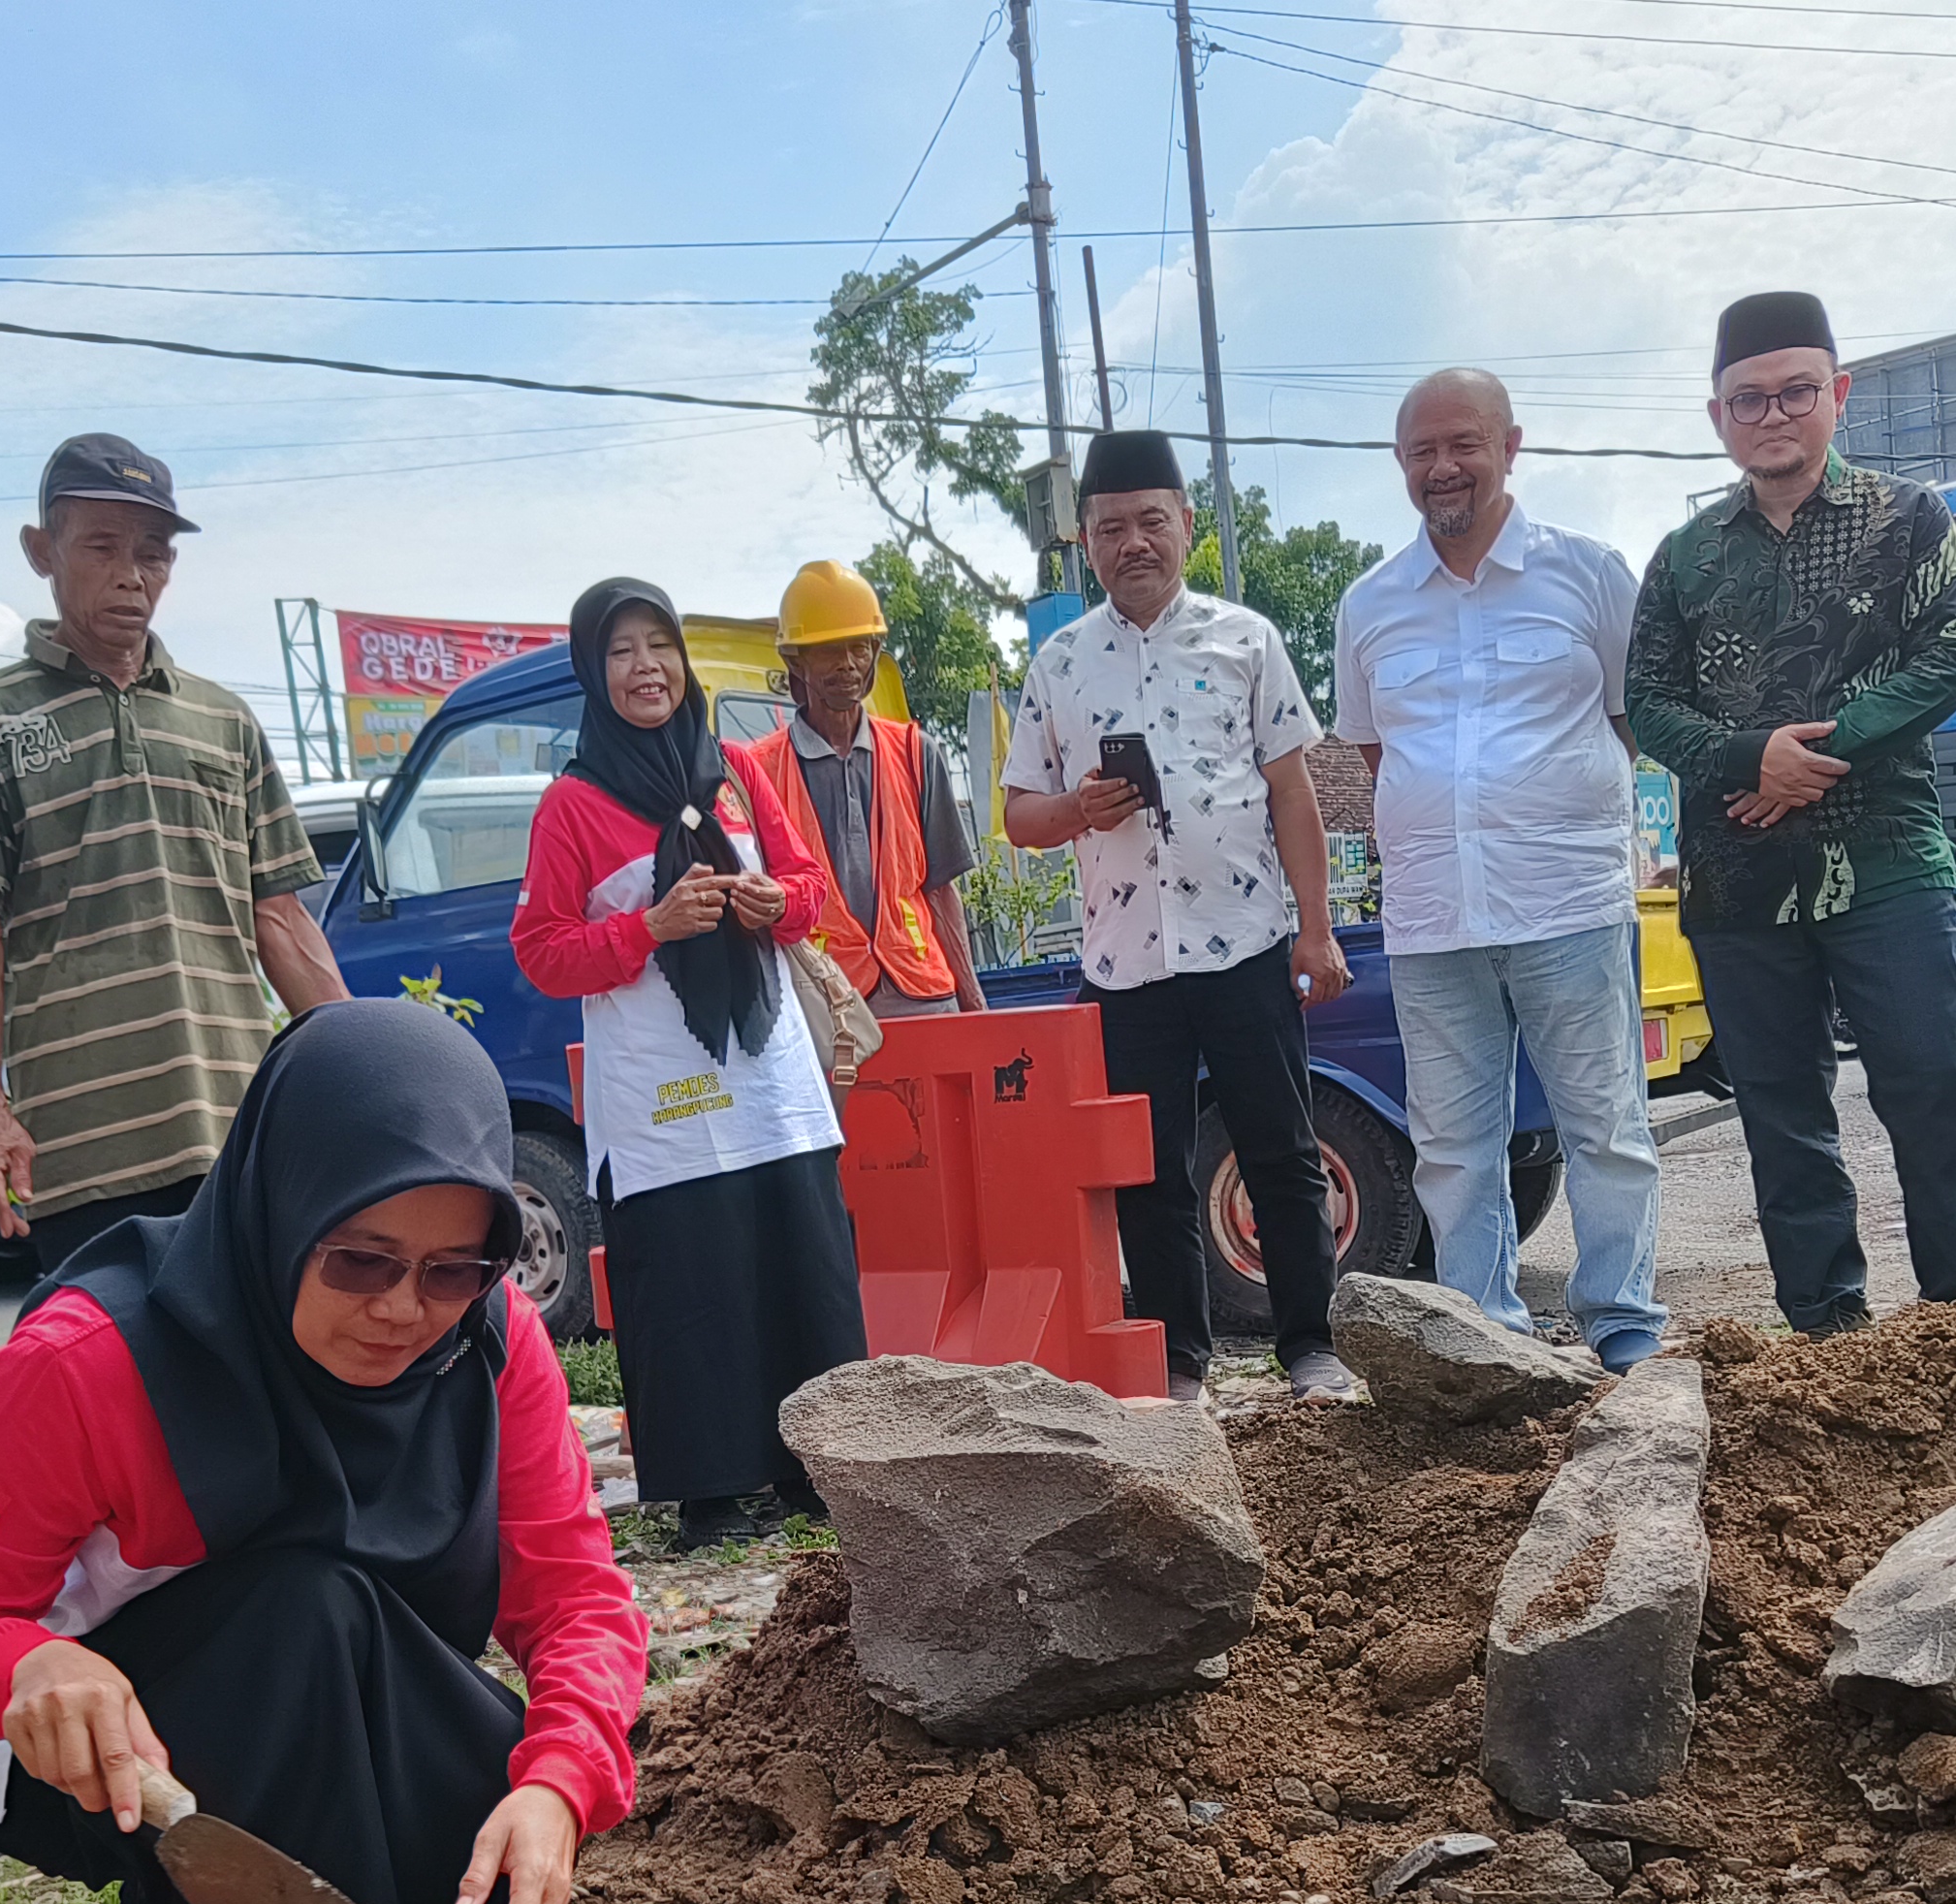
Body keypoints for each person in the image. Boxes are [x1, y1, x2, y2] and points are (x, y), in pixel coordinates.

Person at [0, 1000, 649, 1904]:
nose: (403, 1310)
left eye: (453, 1270)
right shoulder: (89, 1367)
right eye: (360, 1261)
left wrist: (558, 1782)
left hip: (317, 1670)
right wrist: (28, 1667)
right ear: (281, 1211)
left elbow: (580, 1598)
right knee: (304, 1605)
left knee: (482, 1754)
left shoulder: (487, 1345)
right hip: (63, 1738)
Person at [1627, 294, 1956, 1338]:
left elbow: (1948, 658)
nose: (1773, 413)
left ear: (1837, 395)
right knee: (1783, 1120)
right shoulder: (1684, 556)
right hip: (1740, 879)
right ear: (1718, 417)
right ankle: (1825, 1335)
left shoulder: (1909, 517)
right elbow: (1649, 702)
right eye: (1748, 399)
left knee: (1933, 1083)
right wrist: (1748, 758)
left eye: (1797, 390)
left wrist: (1813, 758)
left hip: (1885, 861)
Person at [0, 434, 350, 1275]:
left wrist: (361, 1071)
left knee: (248, 1384)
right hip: (81, 1150)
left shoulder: (223, 720)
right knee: (110, 1389)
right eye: (102, 547)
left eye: (153, 554)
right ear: (41, 551)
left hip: (240, 1133)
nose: (133, 575)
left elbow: (279, 916)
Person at [1000, 428, 1361, 1403]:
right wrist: (1076, 809)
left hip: (1244, 943)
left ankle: (1309, 1349)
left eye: (1151, 522)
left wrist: (1317, 930)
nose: (1133, 544)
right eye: (1111, 528)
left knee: (1280, 1152)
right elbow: (1017, 815)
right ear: (1086, 540)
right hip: (1124, 964)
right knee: (1145, 1172)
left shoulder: (1248, 641)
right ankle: (1178, 1365)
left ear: (1187, 526)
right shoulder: (1060, 665)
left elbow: (1293, 793)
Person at [512, 580, 871, 1549]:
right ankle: (709, 1488)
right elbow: (540, 949)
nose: (645, 669)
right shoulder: (571, 807)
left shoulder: (733, 777)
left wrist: (770, 902)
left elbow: (808, 890)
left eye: (658, 646)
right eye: (621, 651)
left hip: (768, 1082)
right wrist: (647, 927)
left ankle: (822, 1466)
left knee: (802, 1259)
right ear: (594, 671)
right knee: (690, 1278)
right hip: (663, 1098)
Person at [1335, 366, 1664, 1365]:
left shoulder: (1590, 575)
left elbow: (1630, 721)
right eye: (1422, 452)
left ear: (1509, 446)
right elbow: (1372, 751)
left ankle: (1623, 1331)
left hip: (1567, 901)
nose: (1444, 468)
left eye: (1463, 445)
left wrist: (1537, 802)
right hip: (1435, 921)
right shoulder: (1370, 605)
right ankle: (1483, 1341)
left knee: (1603, 1128)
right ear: (1400, 466)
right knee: (1450, 1150)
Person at [741, 559, 986, 1027]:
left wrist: (974, 1007)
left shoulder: (915, 753)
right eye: (830, 650)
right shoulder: (757, 771)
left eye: (861, 647)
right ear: (796, 661)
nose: (848, 664)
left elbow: (941, 891)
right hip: (818, 1001)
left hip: (922, 996)